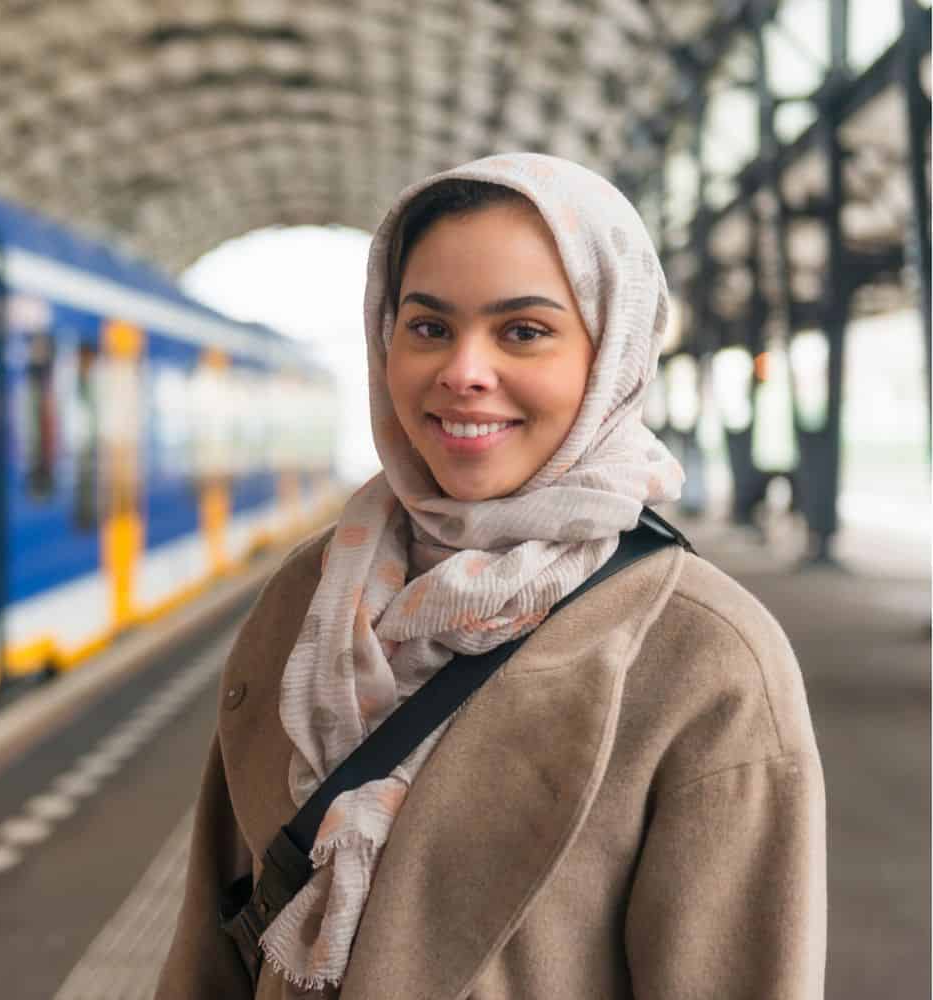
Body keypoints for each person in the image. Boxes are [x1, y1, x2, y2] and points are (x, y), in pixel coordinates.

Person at [157, 154, 825, 999]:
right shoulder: (307, 597)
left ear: (609, 356)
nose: (464, 372)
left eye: (524, 331)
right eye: (429, 326)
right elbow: (209, 946)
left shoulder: (707, 660)